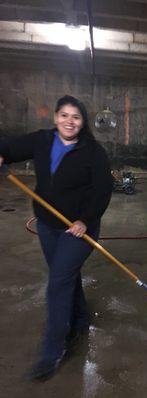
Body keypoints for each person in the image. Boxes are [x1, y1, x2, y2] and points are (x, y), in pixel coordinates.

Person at [0, 95, 113, 380]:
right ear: (55, 117)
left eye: (75, 117)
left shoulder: (93, 152)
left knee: (57, 284)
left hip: (77, 230)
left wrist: (85, 220)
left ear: (83, 121)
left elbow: (102, 191)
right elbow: (10, 147)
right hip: (47, 225)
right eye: (64, 115)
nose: (69, 121)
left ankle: (53, 350)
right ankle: (81, 317)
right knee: (65, 275)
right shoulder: (42, 140)